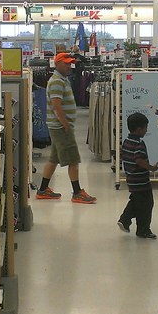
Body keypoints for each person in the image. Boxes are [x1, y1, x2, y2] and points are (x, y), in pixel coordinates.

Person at [36, 52, 97, 204]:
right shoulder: (57, 81)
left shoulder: (62, 79)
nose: (69, 66)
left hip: (58, 126)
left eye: (70, 63)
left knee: (54, 158)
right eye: (66, 63)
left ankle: (43, 190)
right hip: (60, 127)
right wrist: (65, 125)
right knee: (73, 159)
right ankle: (77, 193)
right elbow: (56, 106)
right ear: (57, 64)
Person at [118, 112, 157, 239]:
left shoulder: (126, 141)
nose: (146, 130)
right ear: (139, 129)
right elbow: (139, 160)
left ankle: (125, 219)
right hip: (141, 181)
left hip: (131, 178)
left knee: (136, 201)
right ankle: (143, 230)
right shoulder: (139, 144)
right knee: (147, 205)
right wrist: (151, 168)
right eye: (145, 128)